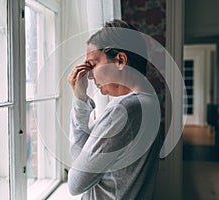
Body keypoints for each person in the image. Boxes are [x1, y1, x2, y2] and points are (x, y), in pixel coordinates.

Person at [67, 19, 162, 200]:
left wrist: (79, 100)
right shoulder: (150, 102)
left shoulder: (123, 111)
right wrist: (80, 98)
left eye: (92, 65)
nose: (89, 75)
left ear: (120, 60)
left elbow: (76, 183)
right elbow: (83, 159)